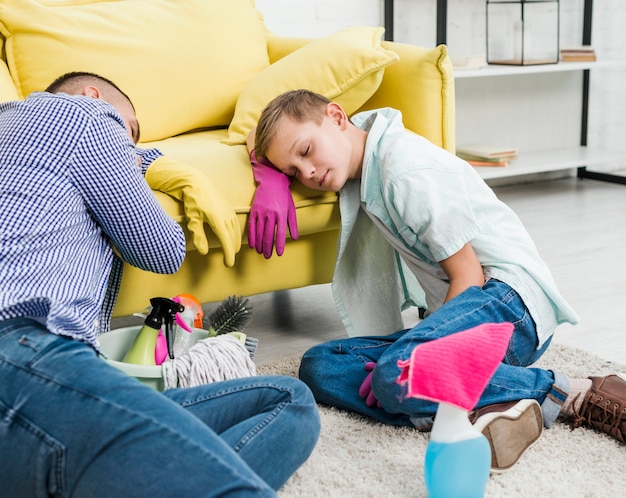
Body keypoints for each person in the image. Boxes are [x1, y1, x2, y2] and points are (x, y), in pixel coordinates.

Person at [250, 89, 626, 472]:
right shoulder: (362, 154)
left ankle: (575, 394)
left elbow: (469, 276)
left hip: (508, 306)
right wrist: (270, 177)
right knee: (321, 365)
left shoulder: (403, 169)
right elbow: (255, 138)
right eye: (293, 172)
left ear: (337, 116)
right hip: (477, 312)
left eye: (306, 151)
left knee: (395, 374)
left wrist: (407, 363)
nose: (307, 173)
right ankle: (477, 403)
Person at [0, 73, 320, 497]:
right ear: (93, 95)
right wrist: (148, 167)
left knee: (289, 400)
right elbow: (161, 249)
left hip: (37, 379)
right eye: (128, 134)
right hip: (24, 354)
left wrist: (143, 161)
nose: (127, 150)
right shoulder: (86, 114)